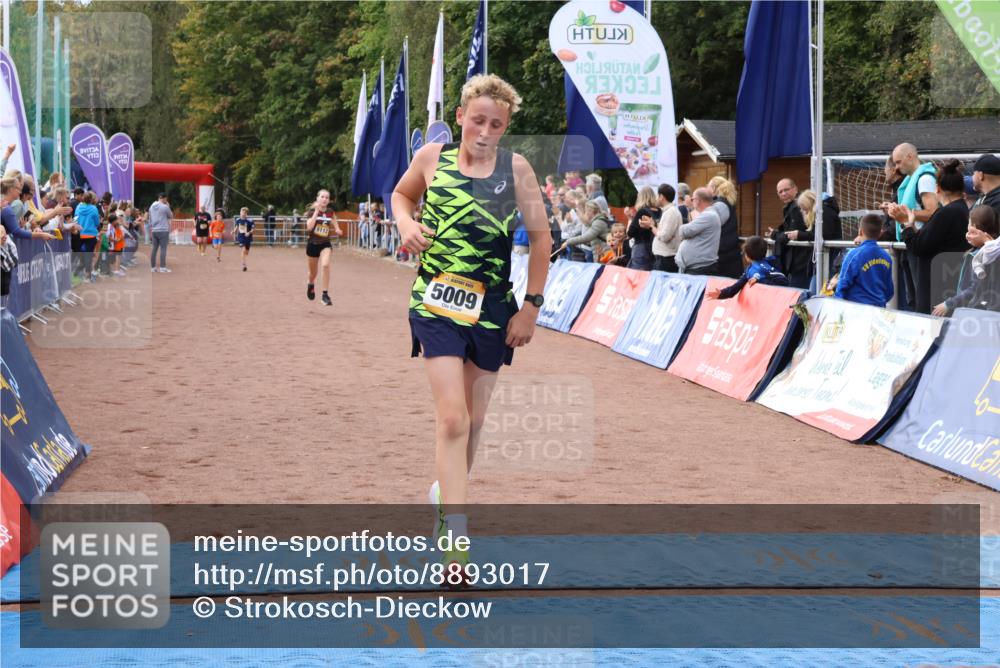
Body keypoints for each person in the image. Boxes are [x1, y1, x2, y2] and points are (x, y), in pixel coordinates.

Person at [392, 74, 551, 578]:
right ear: (460, 116)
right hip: (435, 300)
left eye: (496, 124)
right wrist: (405, 223)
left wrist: (531, 308)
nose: (485, 130)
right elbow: (401, 196)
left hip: (493, 310)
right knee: (454, 419)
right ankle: (455, 545)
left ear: (506, 128)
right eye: (477, 119)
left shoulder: (517, 170)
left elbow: (543, 242)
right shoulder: (430, 159)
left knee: (475, 423)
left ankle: (445, 491)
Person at [898, 159, 971, 314]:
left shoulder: (946, 213)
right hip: (951, 283)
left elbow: (919, 247)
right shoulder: (963, 209)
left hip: (937, 288)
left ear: (937, 189)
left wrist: (906, 225)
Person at [934, 205, 999, 315]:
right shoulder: (977, 252)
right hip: (973, 309)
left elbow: (975, 288)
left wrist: (949, 304)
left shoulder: (985, 256)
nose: (968, 235)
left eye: (971, 230)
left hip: (979, 311)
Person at [2, 177, 55, 295]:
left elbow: (15, 229)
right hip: (3, 252)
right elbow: (17, 232)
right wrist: (40, 235)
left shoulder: (8, 207)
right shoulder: (9, 208)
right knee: (4, 285)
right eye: (18, 188)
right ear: (10, 189)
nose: (20, 192)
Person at [834, 213, 893, 307]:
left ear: (860, 232)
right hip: (879, 310)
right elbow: (889, 291)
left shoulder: (853, 255)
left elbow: (842, 284)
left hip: (857, 311)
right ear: (880, 233)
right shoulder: (887, 257)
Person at [790, 190, 843, 289]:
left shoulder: (824, 211)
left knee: (816, 291)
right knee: (814, 289)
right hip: (825, 258)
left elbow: (824, 234)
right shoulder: (824, 211)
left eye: (803, 208)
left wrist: (800, 235)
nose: (802, 211)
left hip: (830, 258)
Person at [706, 236, 788, 300]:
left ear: (747, 256)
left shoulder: (751, 270)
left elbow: (735, 288)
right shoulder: (771, 260)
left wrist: (721, 293)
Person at [768, 178, 810, 289]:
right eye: (780, 192)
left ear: (795, 189)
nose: (783, 193)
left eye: (786, 190)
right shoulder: (790, 207)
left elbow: (790, 234)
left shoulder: (797, 206)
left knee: (798, 294)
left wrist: (775, 235)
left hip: (802, 261)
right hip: (797, 260)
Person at [304, 189, 342, 305]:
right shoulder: (311, 212)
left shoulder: (330, 211)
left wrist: (337, 228)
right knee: (313, 273)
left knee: (325, 265)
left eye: (327, 197)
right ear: (318, 199)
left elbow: (333, 217)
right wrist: (316, 211)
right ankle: (310, 284)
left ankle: (325, 295)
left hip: (325, 244)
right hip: (312, 245)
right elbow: (309, 228)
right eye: (322, 197)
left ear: (329, 200)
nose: (324, 199)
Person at [677, 188, 721, 275]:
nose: (691, 201)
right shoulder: (707, 214)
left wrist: (681, 227)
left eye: (692, 199)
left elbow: (684, 231)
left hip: (700, 268)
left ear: (698, 200)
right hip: (697, 267)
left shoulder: (708, 215)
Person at [708, 176, 742, 278]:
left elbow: (708, 225)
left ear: (714, 188)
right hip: (728, 256)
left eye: (708, 186)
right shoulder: (725, 202)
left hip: (724, 257)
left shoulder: (719, 205)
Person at [626, 186, 659, 270]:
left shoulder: (642, 212)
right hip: (655, 248)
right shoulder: (660, 211)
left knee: (639, 277)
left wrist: (631, 218)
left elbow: (630, 232)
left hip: (641, 249)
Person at [651, 183, 682, 272]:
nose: (656, 198)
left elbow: (665, 236)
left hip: (666, 259)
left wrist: (652, 227)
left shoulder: (671, 212)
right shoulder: (668, 211)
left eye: (657, 195)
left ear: (661, 196)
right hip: (663, 259)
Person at [75, 192, 101, 281]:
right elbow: (97, 223)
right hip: (90, 235)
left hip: (80, 234)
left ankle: (78, 272)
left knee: (83, 254)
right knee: (88, 255)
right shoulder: (94, 208)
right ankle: (87, 276)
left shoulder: (78, 207)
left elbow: (76, 219)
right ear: (91, 199)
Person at [148, 193, 173, 272]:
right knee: (163, 249)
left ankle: (153, 267)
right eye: (166, 199)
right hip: (163, 230)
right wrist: (168, 206)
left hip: (154, 230)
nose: (166, 200)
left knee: (154, 249)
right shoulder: (165, 207)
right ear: (163, 198)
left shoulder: (151, 207)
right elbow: (171, 216)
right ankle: (162, 268)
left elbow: (150, 217)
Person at [971, 153, 1000, 220]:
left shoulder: (996, 202)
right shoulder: (990, 198)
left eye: (973, 174)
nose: (972, 177)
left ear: (980, 175)